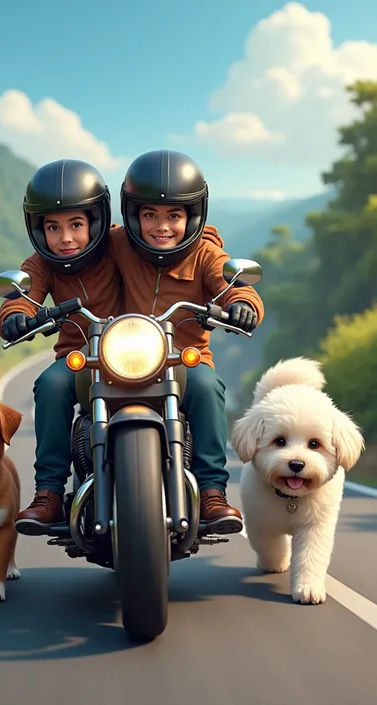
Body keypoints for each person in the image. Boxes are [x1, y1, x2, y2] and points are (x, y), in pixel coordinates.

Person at [108, 149, 265, 534]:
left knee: (209, 387)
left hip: (186, 361)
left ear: (192, 215)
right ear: (133, 215)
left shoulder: (206, 254)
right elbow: (69, 253)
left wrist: (242, 303)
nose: (162, 226)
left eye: (174, 215)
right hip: (119, 358)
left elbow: (235, 285)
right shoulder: (115, 244)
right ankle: (54, 490)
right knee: (66, 388)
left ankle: (212, 490)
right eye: (150, 215)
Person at [0, 158, 124, 535]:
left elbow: (163, 235)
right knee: (49, 385)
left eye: (76, 225)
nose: (65, 237)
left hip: (138, 354)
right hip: (79, 358)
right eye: (53, 227)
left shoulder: (121, 245)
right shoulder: (41, 264)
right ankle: (49, 493)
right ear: (39, 229)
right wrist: (15, 315)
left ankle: (208, 486)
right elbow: (22, 295)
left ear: (96, 222)